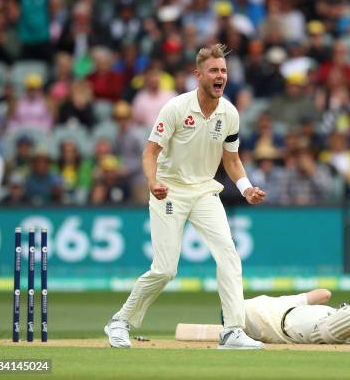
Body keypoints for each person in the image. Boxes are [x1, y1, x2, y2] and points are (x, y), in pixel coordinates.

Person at [104, 44, 267, 350]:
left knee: (228, 255)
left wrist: (246, 188)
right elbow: (150, 152)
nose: (220, 76)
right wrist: (153, 183)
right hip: (170, 190)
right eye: (214, 71)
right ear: (198, 75)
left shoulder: (230, 113)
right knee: (165, 269)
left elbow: (231, 160)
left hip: (204, 190)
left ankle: (232, 330)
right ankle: (119, 322)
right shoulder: (176, 108)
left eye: (224, 71)